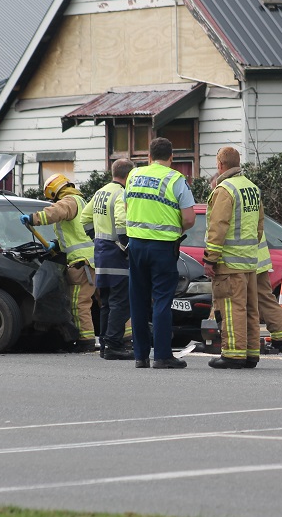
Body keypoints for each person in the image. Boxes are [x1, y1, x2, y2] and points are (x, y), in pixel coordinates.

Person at [124, 137, 196, 369]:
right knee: (162, 300)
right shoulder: (176, 179)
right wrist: (176, 228)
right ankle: (163, 356)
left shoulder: (133, 175)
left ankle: (140, 356)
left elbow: (127, 208)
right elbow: (189, 218)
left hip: (135, 245)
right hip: (162, 247)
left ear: (149, 156)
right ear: (171, 157)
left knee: (138, 300)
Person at [20, 173, 96, 352]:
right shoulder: (80, 201)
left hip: (81, 263)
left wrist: (33, 219)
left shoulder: (69, 201)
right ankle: (122, 338)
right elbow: (74, 233)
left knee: (79, 304)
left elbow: (56, 212)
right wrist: (57, 244)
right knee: (105, 303)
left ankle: (86, 341)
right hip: (91, 260)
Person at [203, 146, 263, 369]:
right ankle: (250, 352)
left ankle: (233, 354)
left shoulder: (224, 190)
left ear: (220, 165)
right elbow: (259, 226)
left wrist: (210, 258)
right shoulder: (252, 188)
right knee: (249, 308)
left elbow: (218, 226)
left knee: (231, 307)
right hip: (249, 260)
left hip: (229, 262)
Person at [80, 159, 135, 360]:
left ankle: (105, 345)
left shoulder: (100, 192)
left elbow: (84, 218)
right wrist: (125, 246)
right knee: (121, 302)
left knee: (107, 303)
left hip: (101, 255)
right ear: (128, 176)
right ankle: (113, 345)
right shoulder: (121, 193)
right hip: (116, 256)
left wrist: (96, 237)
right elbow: (121, 223)